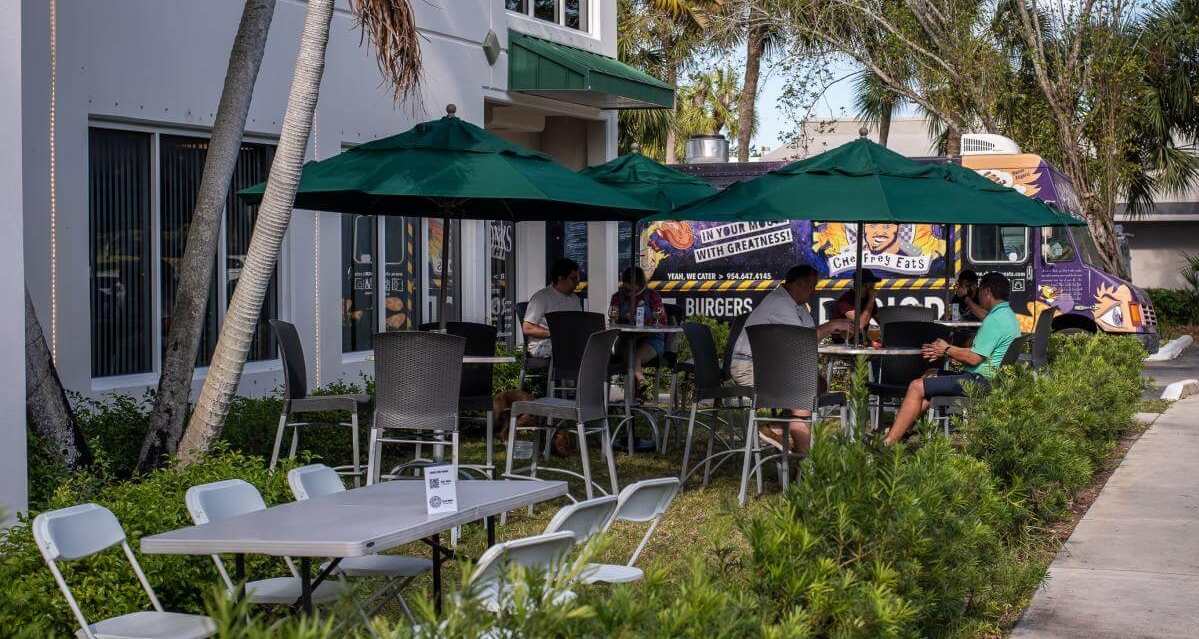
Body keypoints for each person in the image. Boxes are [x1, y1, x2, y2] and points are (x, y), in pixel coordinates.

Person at [884, 272, 1022, 444]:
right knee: (930, 374)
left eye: (980, 290)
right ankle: (905, 431)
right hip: (992, 380)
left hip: (980, 382)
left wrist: (947, 349)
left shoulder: (994, 320)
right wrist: (946, 349)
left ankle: (888, 443)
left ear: (987, 291)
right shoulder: (1008, 316)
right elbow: (979, 353)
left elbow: (973, 359)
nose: (978, 295)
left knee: (915, 386)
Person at [730, 264, 853, 453]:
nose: (814, 291)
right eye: (812, 286)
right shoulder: (779, 303)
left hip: (768, 366)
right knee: (803, 391)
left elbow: (809, 337)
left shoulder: (798, 306)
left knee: (818, 383)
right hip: (749, 367)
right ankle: (806, 462)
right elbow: (803, 341)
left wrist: (835, 330)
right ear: (801, 283)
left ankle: (776, 428)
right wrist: (831, 325)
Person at [607, 266, 668, 401]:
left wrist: (643, 320)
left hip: (651, 339)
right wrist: (624, 317)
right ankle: (639, 383)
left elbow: (663, 322)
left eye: (632, 290)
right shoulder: (617, 297)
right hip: (626, 339)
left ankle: (635, 392)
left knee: (635, 355)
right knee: (628, 351)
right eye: (626, 289)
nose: (629, 293)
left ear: (640, 284)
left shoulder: (652, 296)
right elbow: (612, 319)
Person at [522, 258, 582, 358]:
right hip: (543, 344)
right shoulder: (541, 298)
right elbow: (527, 328)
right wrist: (557, 333)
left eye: (577, 279)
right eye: (573, 279)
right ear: (561, 279)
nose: (577, 283)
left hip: (567, 342)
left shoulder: (574, 298)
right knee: (574, 350)